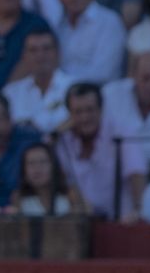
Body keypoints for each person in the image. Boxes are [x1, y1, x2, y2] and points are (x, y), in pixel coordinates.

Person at [55, 80, 145, 219]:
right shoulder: (62, 139)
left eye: (90, 110)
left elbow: (136, 172)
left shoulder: (122, 131)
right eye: (78, 112)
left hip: (119, 221)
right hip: (79, 223)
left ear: (101, 109)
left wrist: (138, 210)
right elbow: (62, 180)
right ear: (70, 114)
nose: (85, 117)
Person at [3, 30, 74, 137]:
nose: (40, 55)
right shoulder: (11, 93)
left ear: (57, 53)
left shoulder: (74, 87)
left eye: (46, 49)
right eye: (33, 50)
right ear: (24, 56)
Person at [54, 0, 126, 85]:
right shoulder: (59, 24)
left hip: (99, 94)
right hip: (60, 92)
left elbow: (103, 73)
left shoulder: (109, 22)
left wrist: (62, 83)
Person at [10, 140, 71, 215]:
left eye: (43, 162)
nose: (37, 168)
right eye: (31, 163)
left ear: (54, 166)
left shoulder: (70, 193)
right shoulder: (18, 197)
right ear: (24, 170)